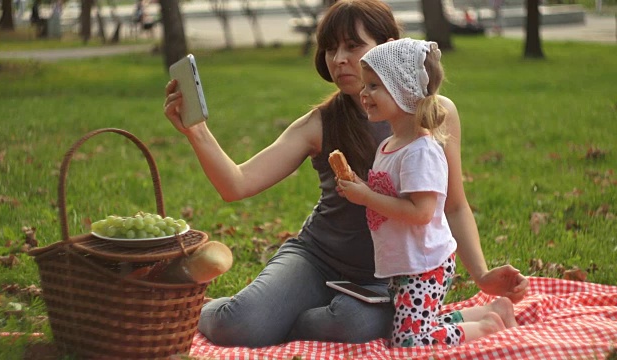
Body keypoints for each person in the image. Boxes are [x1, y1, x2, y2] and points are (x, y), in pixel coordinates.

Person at [163, 0, 527, 348]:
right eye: (330, 48)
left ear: (389, 47)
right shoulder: (319, 123)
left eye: (353, 46)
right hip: (316, 257)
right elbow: (236, 185)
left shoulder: (436, 116)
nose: (339, 59)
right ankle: (219, 309)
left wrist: (481, 275)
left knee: (350, 324)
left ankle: (451, 318)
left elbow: (453, 206)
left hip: (390, 276)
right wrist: (197, 132)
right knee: (237, 325)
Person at [337, 38, 516, 348]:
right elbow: (394, 196)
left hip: (425, 263)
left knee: (410, 339)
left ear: (404, 89)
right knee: (418, 323)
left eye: (375, 86)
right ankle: (490, 311)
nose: (364, 94)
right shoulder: (388, 146)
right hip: (405, 261)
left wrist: (365, 197)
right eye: (365, 86)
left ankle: (487, 328)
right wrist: (362, 187)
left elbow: (421, 212)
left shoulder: (421, 151)